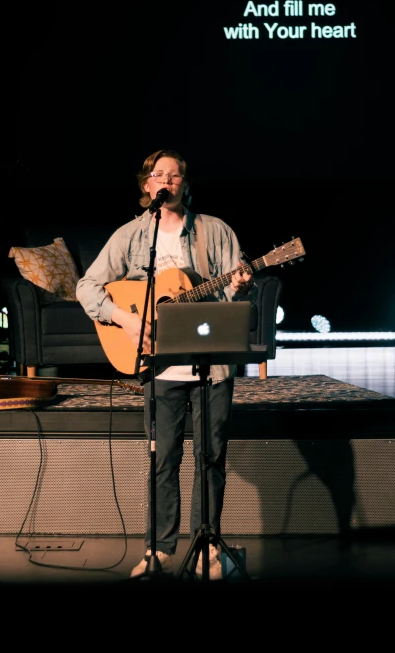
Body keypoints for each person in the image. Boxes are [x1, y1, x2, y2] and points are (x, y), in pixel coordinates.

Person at [75, 148, 257, 580]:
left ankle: (207, 547)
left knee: (211, 457)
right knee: (163, 459)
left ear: (184, 185)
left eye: (174, 176)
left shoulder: (215, 231)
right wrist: (127, 318)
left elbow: (231, 300)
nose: (166, 182)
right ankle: (158, 550)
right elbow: (88, 287)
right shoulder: (130, 236)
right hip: (157, 367)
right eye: (159, 175)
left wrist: (240, 285)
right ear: (146, 186)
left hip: (210, 365)